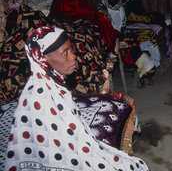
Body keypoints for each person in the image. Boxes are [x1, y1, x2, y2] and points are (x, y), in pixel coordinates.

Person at [5, 26, 148, 171]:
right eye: (65, 53)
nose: (73, 56)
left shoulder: (49, 82)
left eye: (71, 49)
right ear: (43, 59)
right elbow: (62, 150)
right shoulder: (40, 96)